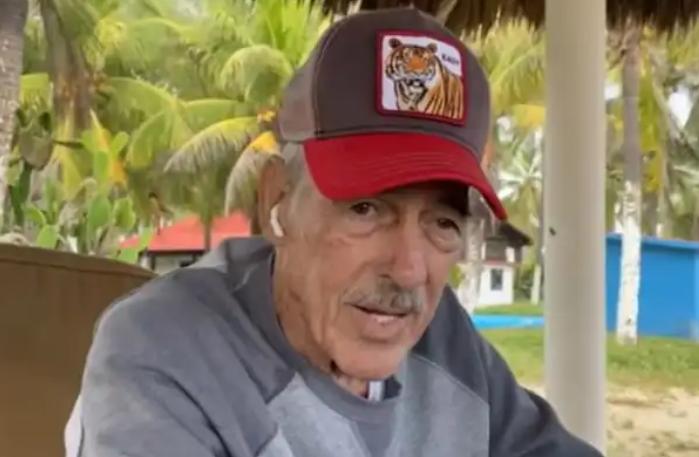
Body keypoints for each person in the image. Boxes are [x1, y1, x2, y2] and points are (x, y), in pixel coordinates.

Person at [68, 8, 603, 457]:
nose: (408, 270)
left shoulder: (446, 342)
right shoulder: (166, 351)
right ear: (277, 200)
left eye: (442, 222)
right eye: (366, 209)